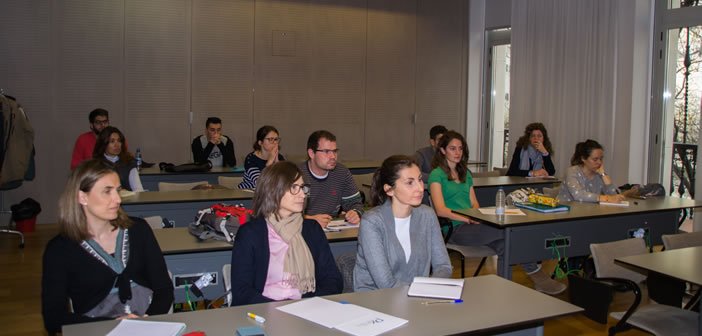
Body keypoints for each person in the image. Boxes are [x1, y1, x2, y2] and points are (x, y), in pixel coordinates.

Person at [41, 160, 173, 334]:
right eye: (107, 192)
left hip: (147, 324)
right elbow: (53, 318)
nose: (117, 199)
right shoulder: (60, 250)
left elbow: (164, 289)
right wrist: (113, 324)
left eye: (117, 190)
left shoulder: (138, 230)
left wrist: (146, 320)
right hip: (97, 330)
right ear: (82, 197)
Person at [429, 131, 566, 295]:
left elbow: (474, 203)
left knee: (505, 246)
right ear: (443, 151)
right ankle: (538, 276)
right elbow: (440, 209)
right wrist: (466, 218)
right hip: (454, 228)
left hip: (473, 224)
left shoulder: (465, 173)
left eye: (460, 148)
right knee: (508, 232)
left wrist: (477, 217)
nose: (458, 152)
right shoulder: (436, 175)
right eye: (452, 148)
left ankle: (504, 288)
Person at [229, 161, 343, 305]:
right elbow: (242, 291)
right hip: (264, 312)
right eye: (294, 187)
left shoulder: (311, 230)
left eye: (303, 188)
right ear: (273, 190)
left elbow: (333, 280)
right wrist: (278, 309)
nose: (302, 195)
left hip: (305, 311)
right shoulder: (251, 234)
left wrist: (308, 305)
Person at [354, 155, 452, 291]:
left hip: (417, 298)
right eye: (409, 183)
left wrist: (430, 288)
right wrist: (423, 291)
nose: (420, 188)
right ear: (389, 189)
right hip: (377, 300)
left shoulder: (427, 215)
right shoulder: (372, 222)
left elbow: (443, 266)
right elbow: (386, 284)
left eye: (420, 180)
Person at [299, 130, 364, 228]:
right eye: (326, 151)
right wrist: (309, 219)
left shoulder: (342, 172)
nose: (333, 156)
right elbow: (281, 213)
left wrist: (355, 213)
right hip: (302, 231)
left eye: (335, 151)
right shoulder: (296, 175)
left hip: (331, 229)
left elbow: (356, 204)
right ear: (311, 153)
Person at [558, 139, 625, 203]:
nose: (599, 162)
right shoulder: (572, 171)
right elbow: (578, 195)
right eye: (595, 159)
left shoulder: (600, 174)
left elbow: (616, 196)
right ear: (583, 159)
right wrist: (606, 198)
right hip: (567, 212)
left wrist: (604, 175)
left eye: (601, 159)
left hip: (588, 211)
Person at [93, 126, 144, 192]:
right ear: (104, 144)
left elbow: (139, 190)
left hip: (128, 200)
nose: (117, 145)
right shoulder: (96, 164)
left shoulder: (129, 162)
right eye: (112, 141)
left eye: (119, 141)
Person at [237, 125, 285, 190]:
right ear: (260, 142)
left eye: (276, 139)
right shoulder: (251, 158)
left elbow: (285, 181)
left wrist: (277, 163)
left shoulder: (280, 157)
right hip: (248, 193)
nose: (274, 142)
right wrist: (270, 163)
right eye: (270, 139)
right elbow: (260, 183)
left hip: (270, 193)